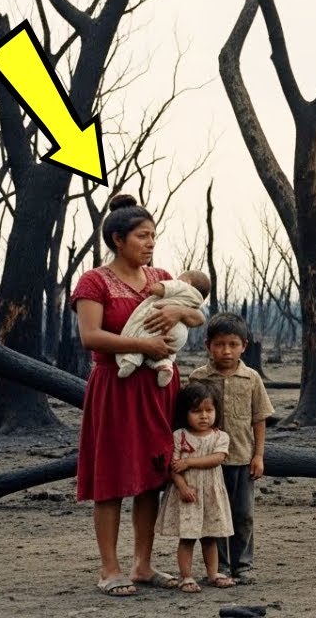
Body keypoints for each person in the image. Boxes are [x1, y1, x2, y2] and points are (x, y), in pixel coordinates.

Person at [70, 194, 206, 597]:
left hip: (158, 389)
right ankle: (110, 569)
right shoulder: (94, 281)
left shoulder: (160, 276)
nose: (150, 244)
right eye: (142, 236)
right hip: (116, 385)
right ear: (117, 239)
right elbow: (90, 336)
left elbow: (197, 312)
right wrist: (143, 347)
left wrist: (179, 314)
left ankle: (143, 565)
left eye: (153, 236)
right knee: (111, 478)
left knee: (152, 477)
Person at [187, 313, 274, 584]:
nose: (226, 351)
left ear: (244, 345)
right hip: (209, 462)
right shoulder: (198, 378)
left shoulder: (252, 379)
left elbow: (259, 419)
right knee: (214, 516)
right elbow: (188, 418)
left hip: (242, 458)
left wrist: (258, 456)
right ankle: (220, 567)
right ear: (207, 345)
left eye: (233, 344)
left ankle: (243, 565)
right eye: (220, 344)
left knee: (243, 514)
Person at [156, 382, 236, 593]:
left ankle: (213, 573)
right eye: (196, 411)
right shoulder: (179, 436)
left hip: (210, 493)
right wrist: (182, 487)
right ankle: (186, 576)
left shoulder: (220, 436)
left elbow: (217, 458)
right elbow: (173, 467)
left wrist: (189, 462)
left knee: (210, 536)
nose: (204, 416)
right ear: (185, 412)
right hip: (189, 494)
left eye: (209, 410)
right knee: (188, 537)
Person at [116, 269, 212, 385]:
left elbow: (154, 289)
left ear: (188, 281)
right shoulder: (196, 300)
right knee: (165, 355)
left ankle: (131, 360)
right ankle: (165, 366)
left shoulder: (179, 285)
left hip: (160, 326)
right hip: (179, 336)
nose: (176, 280)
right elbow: (199, 317)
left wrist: (179, 311)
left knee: (147, 330)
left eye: (179, 279)